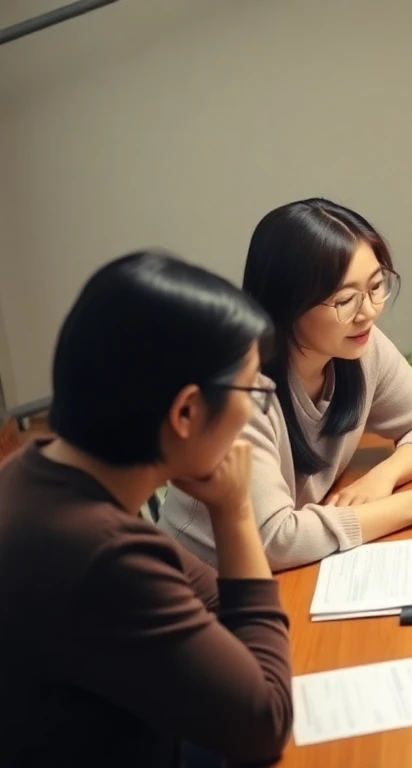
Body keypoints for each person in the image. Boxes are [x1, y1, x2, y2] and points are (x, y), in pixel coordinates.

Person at [0, 251, 292, 766]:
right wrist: (234, 510)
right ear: (186, 411)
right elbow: (264, 722)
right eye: (252, 388)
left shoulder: (39, 471)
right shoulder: (98, 550)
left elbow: (210, 608)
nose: (255, 407)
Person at [158, 198, 412, 571]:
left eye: (377, 286)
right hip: (203, 580)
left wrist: (384, 476)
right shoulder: (242, 390)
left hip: (289, 568)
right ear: (287, 302)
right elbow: (276, 540)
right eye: (345, 299)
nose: (367, 312)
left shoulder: (361, 347)